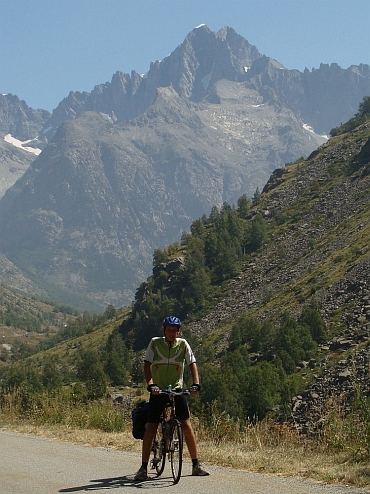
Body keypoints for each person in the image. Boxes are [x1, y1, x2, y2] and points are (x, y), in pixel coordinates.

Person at [134, 315, 210, 481]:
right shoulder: (155, 343)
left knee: (186, 424)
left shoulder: (183, 345)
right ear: (164, 330)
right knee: (151, 427)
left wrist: (196, 383)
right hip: (158, 391)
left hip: (176, 389)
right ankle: (143, 468)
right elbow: (147, 365)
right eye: (168, 330)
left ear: (178, 331)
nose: (171, 333)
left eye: (174, 331)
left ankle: (196, 465)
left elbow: (192, 364)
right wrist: (151, 384)